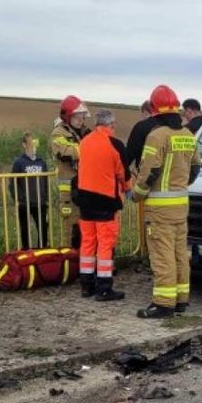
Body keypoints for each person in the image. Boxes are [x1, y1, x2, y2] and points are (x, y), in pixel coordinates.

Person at [129, 85, 201, 318]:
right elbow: (196, 167)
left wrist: (136, 194)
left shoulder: (156, 136)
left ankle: (163, 303)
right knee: (180, 253)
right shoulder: (188, 135)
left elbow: (148, 171)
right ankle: (181, 299)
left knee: (162, 255)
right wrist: (180, 187)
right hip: (181, 206)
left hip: (160, 209)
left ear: (155, 110)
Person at [76, 110, 131, 301]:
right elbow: (123, 174)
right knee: (105, 244)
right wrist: (128, 189)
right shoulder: (114, 145)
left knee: (88, 243)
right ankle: (104, 288)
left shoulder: (84, 142)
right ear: (112, 124)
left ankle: (86, 286)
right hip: (106, 201)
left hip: (84, 200)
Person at [50, 95, 91, 248]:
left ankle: (84, 265)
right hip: (69, 193)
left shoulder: (85, 132)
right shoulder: (58, 133)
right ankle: (71, 265)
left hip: (86, 188)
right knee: (72, 231)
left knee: (87, 230)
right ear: (68, 116)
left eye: (82, 116)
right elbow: (65, 153)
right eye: (77, 116)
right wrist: (88, 150)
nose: (81, 120)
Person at [10, 133, 49, 248]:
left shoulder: (41, 162)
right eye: (31, 143)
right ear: (24, 145)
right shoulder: (19, 162)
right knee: (24, 229)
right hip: (25, 203)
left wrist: (45, 197)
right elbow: (13, 183)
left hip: (40, 203)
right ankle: (26, 252)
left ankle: (42, 251)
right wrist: (19, 198)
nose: (34, 146)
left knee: (43, 228)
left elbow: (45, 180)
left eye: (35, 143)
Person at [124, 99, 161, 174]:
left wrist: (123, 167)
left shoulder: (141, 126)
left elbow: (131, 151)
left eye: (142, 113)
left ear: (145, 111)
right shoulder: (168, 126)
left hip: (145, 172)